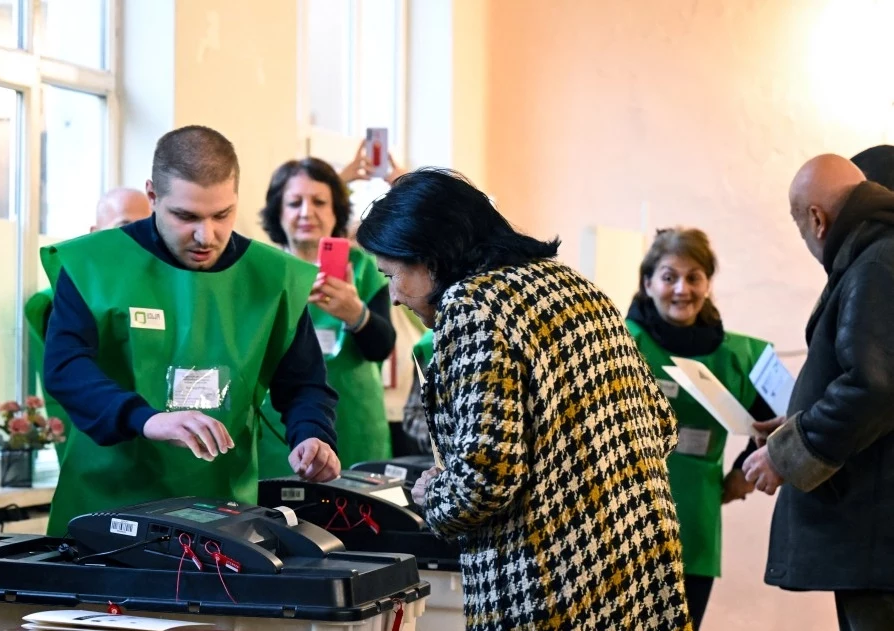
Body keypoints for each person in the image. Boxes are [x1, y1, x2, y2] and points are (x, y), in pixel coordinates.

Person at [355, 168, 690, 630]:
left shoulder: (472, 306)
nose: (393, 296)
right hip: (641, 560)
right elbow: (660, 423)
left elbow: (483, 482)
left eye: (392, 275)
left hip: (548, 578)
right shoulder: (574, 285)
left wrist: (434, 492)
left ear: (430, 256)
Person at [40, 126, 341, 535]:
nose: (207, 235)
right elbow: (66, 367)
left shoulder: (272, 278)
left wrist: (311, 435)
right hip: (105, 508)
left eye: (222, 215)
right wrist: (146, 419)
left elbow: (304, 382)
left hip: (223, 516)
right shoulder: (94, 265)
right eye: (186, 216)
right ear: (152, 196)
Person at [743, 154, 894, 631]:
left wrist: (786, 453)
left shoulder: (876, 262)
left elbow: (873, 387)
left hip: (875, 539)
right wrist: (797, 418)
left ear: (816, 218)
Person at [626, 227, 778, 629]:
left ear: (707, 283)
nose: (682, 289)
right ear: (648, 283)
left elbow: (780, 425)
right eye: (669, 276)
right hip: (624, 528)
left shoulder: (740, 356)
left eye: (693, 276)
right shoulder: (622, 346)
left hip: (696, 527)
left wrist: (742, 478)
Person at [255, 158, 395, 474]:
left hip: (354, 421)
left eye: (319, 202)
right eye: (294, 203)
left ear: (336, 212)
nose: (307, 212)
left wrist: (356, 314)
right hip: (281, 429)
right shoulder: (263, 272)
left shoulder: (364, 267)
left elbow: (382, 348)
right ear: (278, 212)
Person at [25, 187, 151, 459]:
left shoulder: (160, 293)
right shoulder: (66, 301)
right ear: (94, 233)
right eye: (123, 227)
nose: (136, 239)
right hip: (101, 454)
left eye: (146, 227)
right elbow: (70, 377)